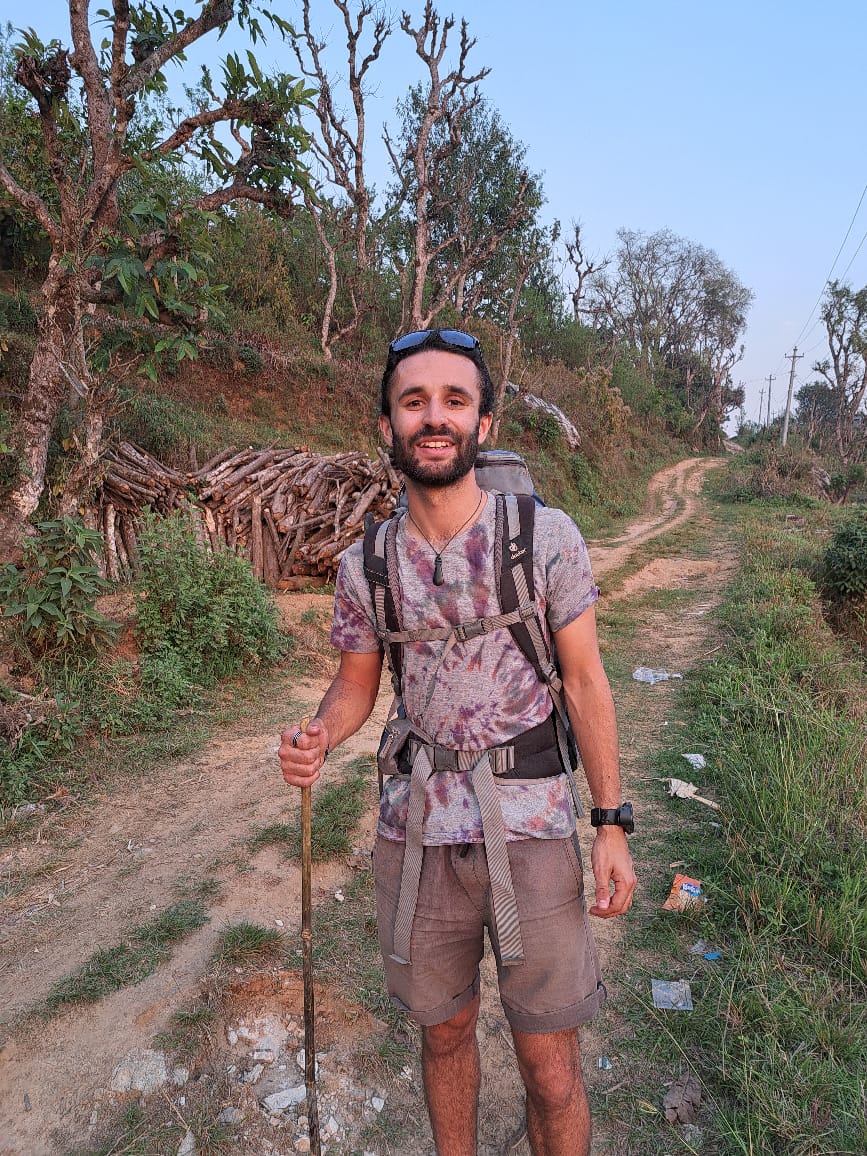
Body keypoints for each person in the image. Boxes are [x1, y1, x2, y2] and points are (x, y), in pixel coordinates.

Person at [279, 329, 636, 1156]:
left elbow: (585, 685)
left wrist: (610, 824)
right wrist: (319, 735)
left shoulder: (545, 539)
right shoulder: (365, 565)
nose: (432, 417)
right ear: (386, 425)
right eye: (413, 402)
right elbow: (356, 687)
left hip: (536, 828)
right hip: (417, 831)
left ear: (481, 421)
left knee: (549, 1065)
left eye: (452, 400)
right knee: (442, 1036)